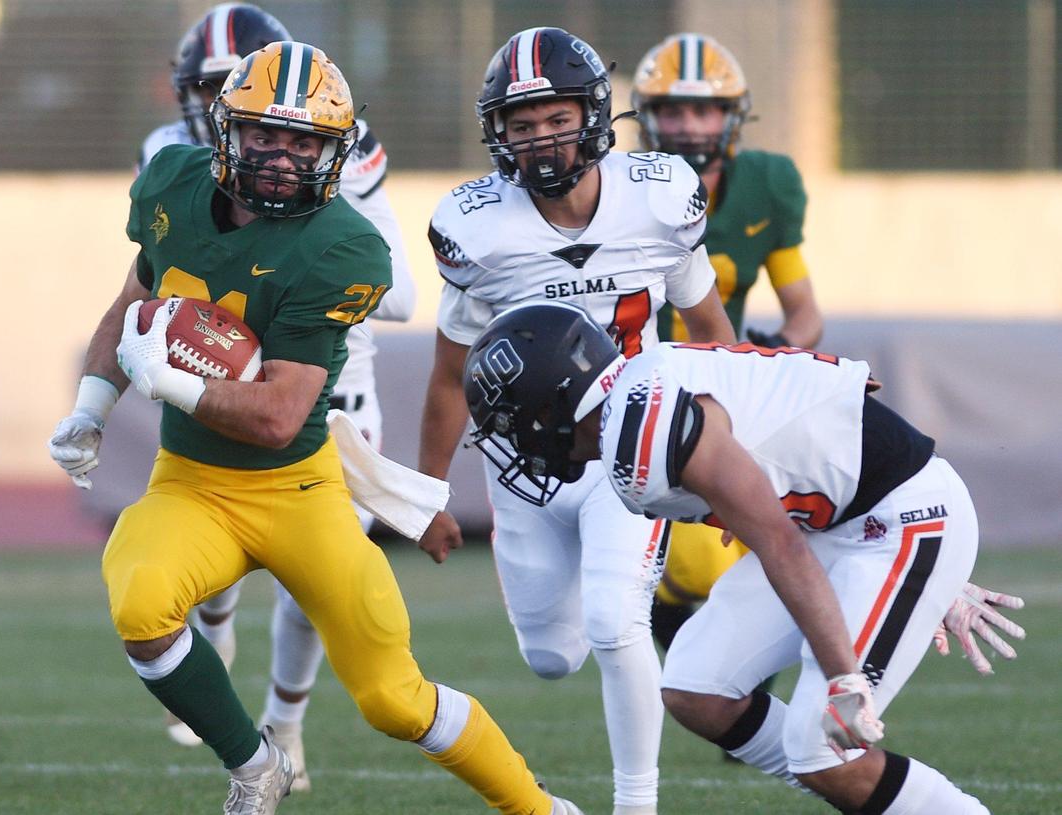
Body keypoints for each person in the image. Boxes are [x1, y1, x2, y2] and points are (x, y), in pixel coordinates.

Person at [48, 41, 581, 815]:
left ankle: (541, 808)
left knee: (394, 701)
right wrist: (94, 405)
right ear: (226, 132)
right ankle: (253, 764)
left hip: (299, 489)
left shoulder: (340, 246)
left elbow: (279, 414)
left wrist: (168, 381)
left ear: (334, 153)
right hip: (192, 485)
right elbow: (132, 298)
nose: (282, 158)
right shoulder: (169, 183)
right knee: (139, 602)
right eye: (266, 135)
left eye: (305, 144)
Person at [462, 302, 1027, 815]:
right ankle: (854, 784)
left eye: (513, 416)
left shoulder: (643, 428)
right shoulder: (634, 407)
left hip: (896, 518)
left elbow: (778, 538)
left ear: (553, 397)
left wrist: (843, 675)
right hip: (837, 522)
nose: (515, 436)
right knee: (697, 689)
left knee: (822, 746)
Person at [418, 27, 736, 815]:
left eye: (555, 119)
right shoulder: (477, 228)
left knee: (612, 618)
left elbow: (714, 337)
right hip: (522, 461)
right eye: (520, 127)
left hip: (631, 439)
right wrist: (423, 492)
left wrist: (729, 459)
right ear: (499, 136)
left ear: (593, 115)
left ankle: (637, 804)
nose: (540, 140)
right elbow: (452, 374)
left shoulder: (660, 198)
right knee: (552, 655)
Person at [102, 5, 417, 789]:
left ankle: (287, 719)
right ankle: (215, 622)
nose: (274, 144)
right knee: (203, 540)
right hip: (220, 392)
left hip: (332, 385)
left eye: (292, 131)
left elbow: (403, 291)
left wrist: (306, 287)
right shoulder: (173, 161)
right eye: (210, 89)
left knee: (316, 581)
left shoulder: (337, 172)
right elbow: (146, 283)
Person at [631, 32, 826, 650]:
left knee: (767, 549)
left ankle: (741, 708)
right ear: (647, 116)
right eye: (672, 110)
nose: (689, 126)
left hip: (721, 391)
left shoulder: (765, 182)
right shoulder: (620, 187)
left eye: (704, 109)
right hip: (637, 395)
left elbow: (804, 311)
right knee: (703, 569)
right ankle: (676, 624)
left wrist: (777, 352)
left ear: (731, 115)